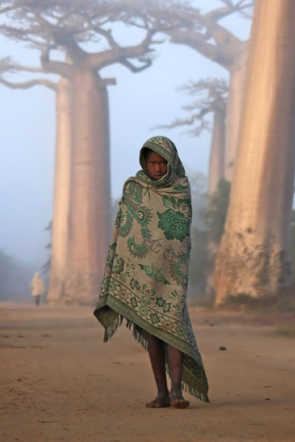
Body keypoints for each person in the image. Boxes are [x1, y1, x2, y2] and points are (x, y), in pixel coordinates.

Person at [94, 136, 209, 409]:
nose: (157, 168)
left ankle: (177, 390)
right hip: (142, 274)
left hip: (172, 274)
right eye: (152, 162)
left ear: (172, 163)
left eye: (162, 163)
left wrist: (166, 252)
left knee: (174, 328)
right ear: (144, 163)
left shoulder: (180, 188)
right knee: (153, 335)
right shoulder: (134, 189)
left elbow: (180, 231)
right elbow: (124, 231)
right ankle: (161, 392)